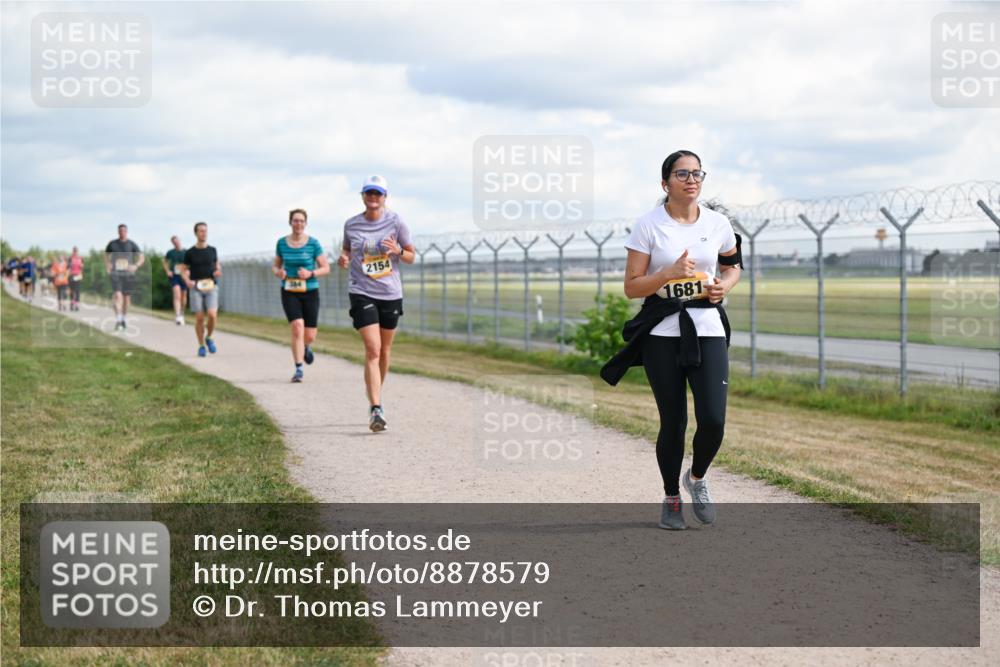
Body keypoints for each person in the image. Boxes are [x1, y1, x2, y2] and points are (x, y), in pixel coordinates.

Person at [601, 150, 742, 530]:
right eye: (682, 174)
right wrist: (666, 274)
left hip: (708, 327)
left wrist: (723, 287)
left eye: (697, 173)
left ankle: (696, 479)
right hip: (663, 332)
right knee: (674, 422)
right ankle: (671, 499)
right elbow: (632, 287)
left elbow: (733, 266)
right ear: (665, 183)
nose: (692, 179)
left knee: (713, 420)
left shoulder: (718, 224)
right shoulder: (647, 226)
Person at [338, 175, 416, 432]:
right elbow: (347, 249)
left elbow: (411, 256)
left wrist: (398, 252)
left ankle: (375, 394)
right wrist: (344, 258)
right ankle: (376, 408)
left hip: (390, 293)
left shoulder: (396, 222)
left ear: (385, 197)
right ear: (362, 196)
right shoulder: (351, 224)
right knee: (373, 349)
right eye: (369, 193)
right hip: (361, 291)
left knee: (384, 351)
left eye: (377, 193)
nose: (373, 197)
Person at [272, 208, 330, 382]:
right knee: (297, 326)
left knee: (310, 334)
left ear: (306, 223)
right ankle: (298, 369)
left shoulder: (313, 243)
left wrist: (310, 273)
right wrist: (278, 272)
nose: (298, 224)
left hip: (310, 290)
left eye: (301, 221)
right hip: (289, 290)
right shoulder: (281, 243)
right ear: (290, 222)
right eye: (295, 220)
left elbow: (326, 267)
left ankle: (306, 346)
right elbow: (275, 265)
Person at [180, 222, 222, 357]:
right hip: (196, 288)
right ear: (196, 233)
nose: (204, 233)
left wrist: (218, 271)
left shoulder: (212, 250)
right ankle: (201, 345)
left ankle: (209, 337)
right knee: (199, 318)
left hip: (211, 286)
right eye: (201, 231)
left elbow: (217, 266)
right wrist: (187, 281)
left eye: (205, 231)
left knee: (212, 315)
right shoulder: (190, 252)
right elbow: (183, 269)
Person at [104, 224, 145, 331]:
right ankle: (118, 319)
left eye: (124, 230)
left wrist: (135, 265)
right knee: (118, 295)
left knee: (127, 299)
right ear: (118, 232)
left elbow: (141, 257)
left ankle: (124, 318)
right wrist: (108, 264)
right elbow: (106, 255)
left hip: (128, 275)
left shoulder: (131, 244)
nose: (122, 232)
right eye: (120, 230)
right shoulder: (112, 244)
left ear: (127, 232)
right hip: (116, 273)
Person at [163, 235, 189, 325]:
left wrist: (189, 271)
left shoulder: (186, 252)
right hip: (175, 276)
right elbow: (165, 262)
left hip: (184, 276)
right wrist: (167, 271)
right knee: (177, 295)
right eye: (174, 242)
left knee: (183, 296)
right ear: (172, 243)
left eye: (176, 241)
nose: (176, 243)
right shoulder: (170, 252)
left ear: (179, 241)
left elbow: (191, 263)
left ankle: (182, 313)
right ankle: (178, 315)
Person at [68, 247, 84, 311]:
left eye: (76, 251)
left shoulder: (81, 258)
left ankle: (77, 305)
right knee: (72, 290)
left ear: (78, 251)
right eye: (74, 251)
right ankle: (72, 302)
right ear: (72, 251)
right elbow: (68, 267)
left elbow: (82, 267)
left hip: (78, 275)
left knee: (77, 290)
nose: (75, 252)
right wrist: (70, 265)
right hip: (72, 275)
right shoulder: (70, 258)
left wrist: (81, 266)